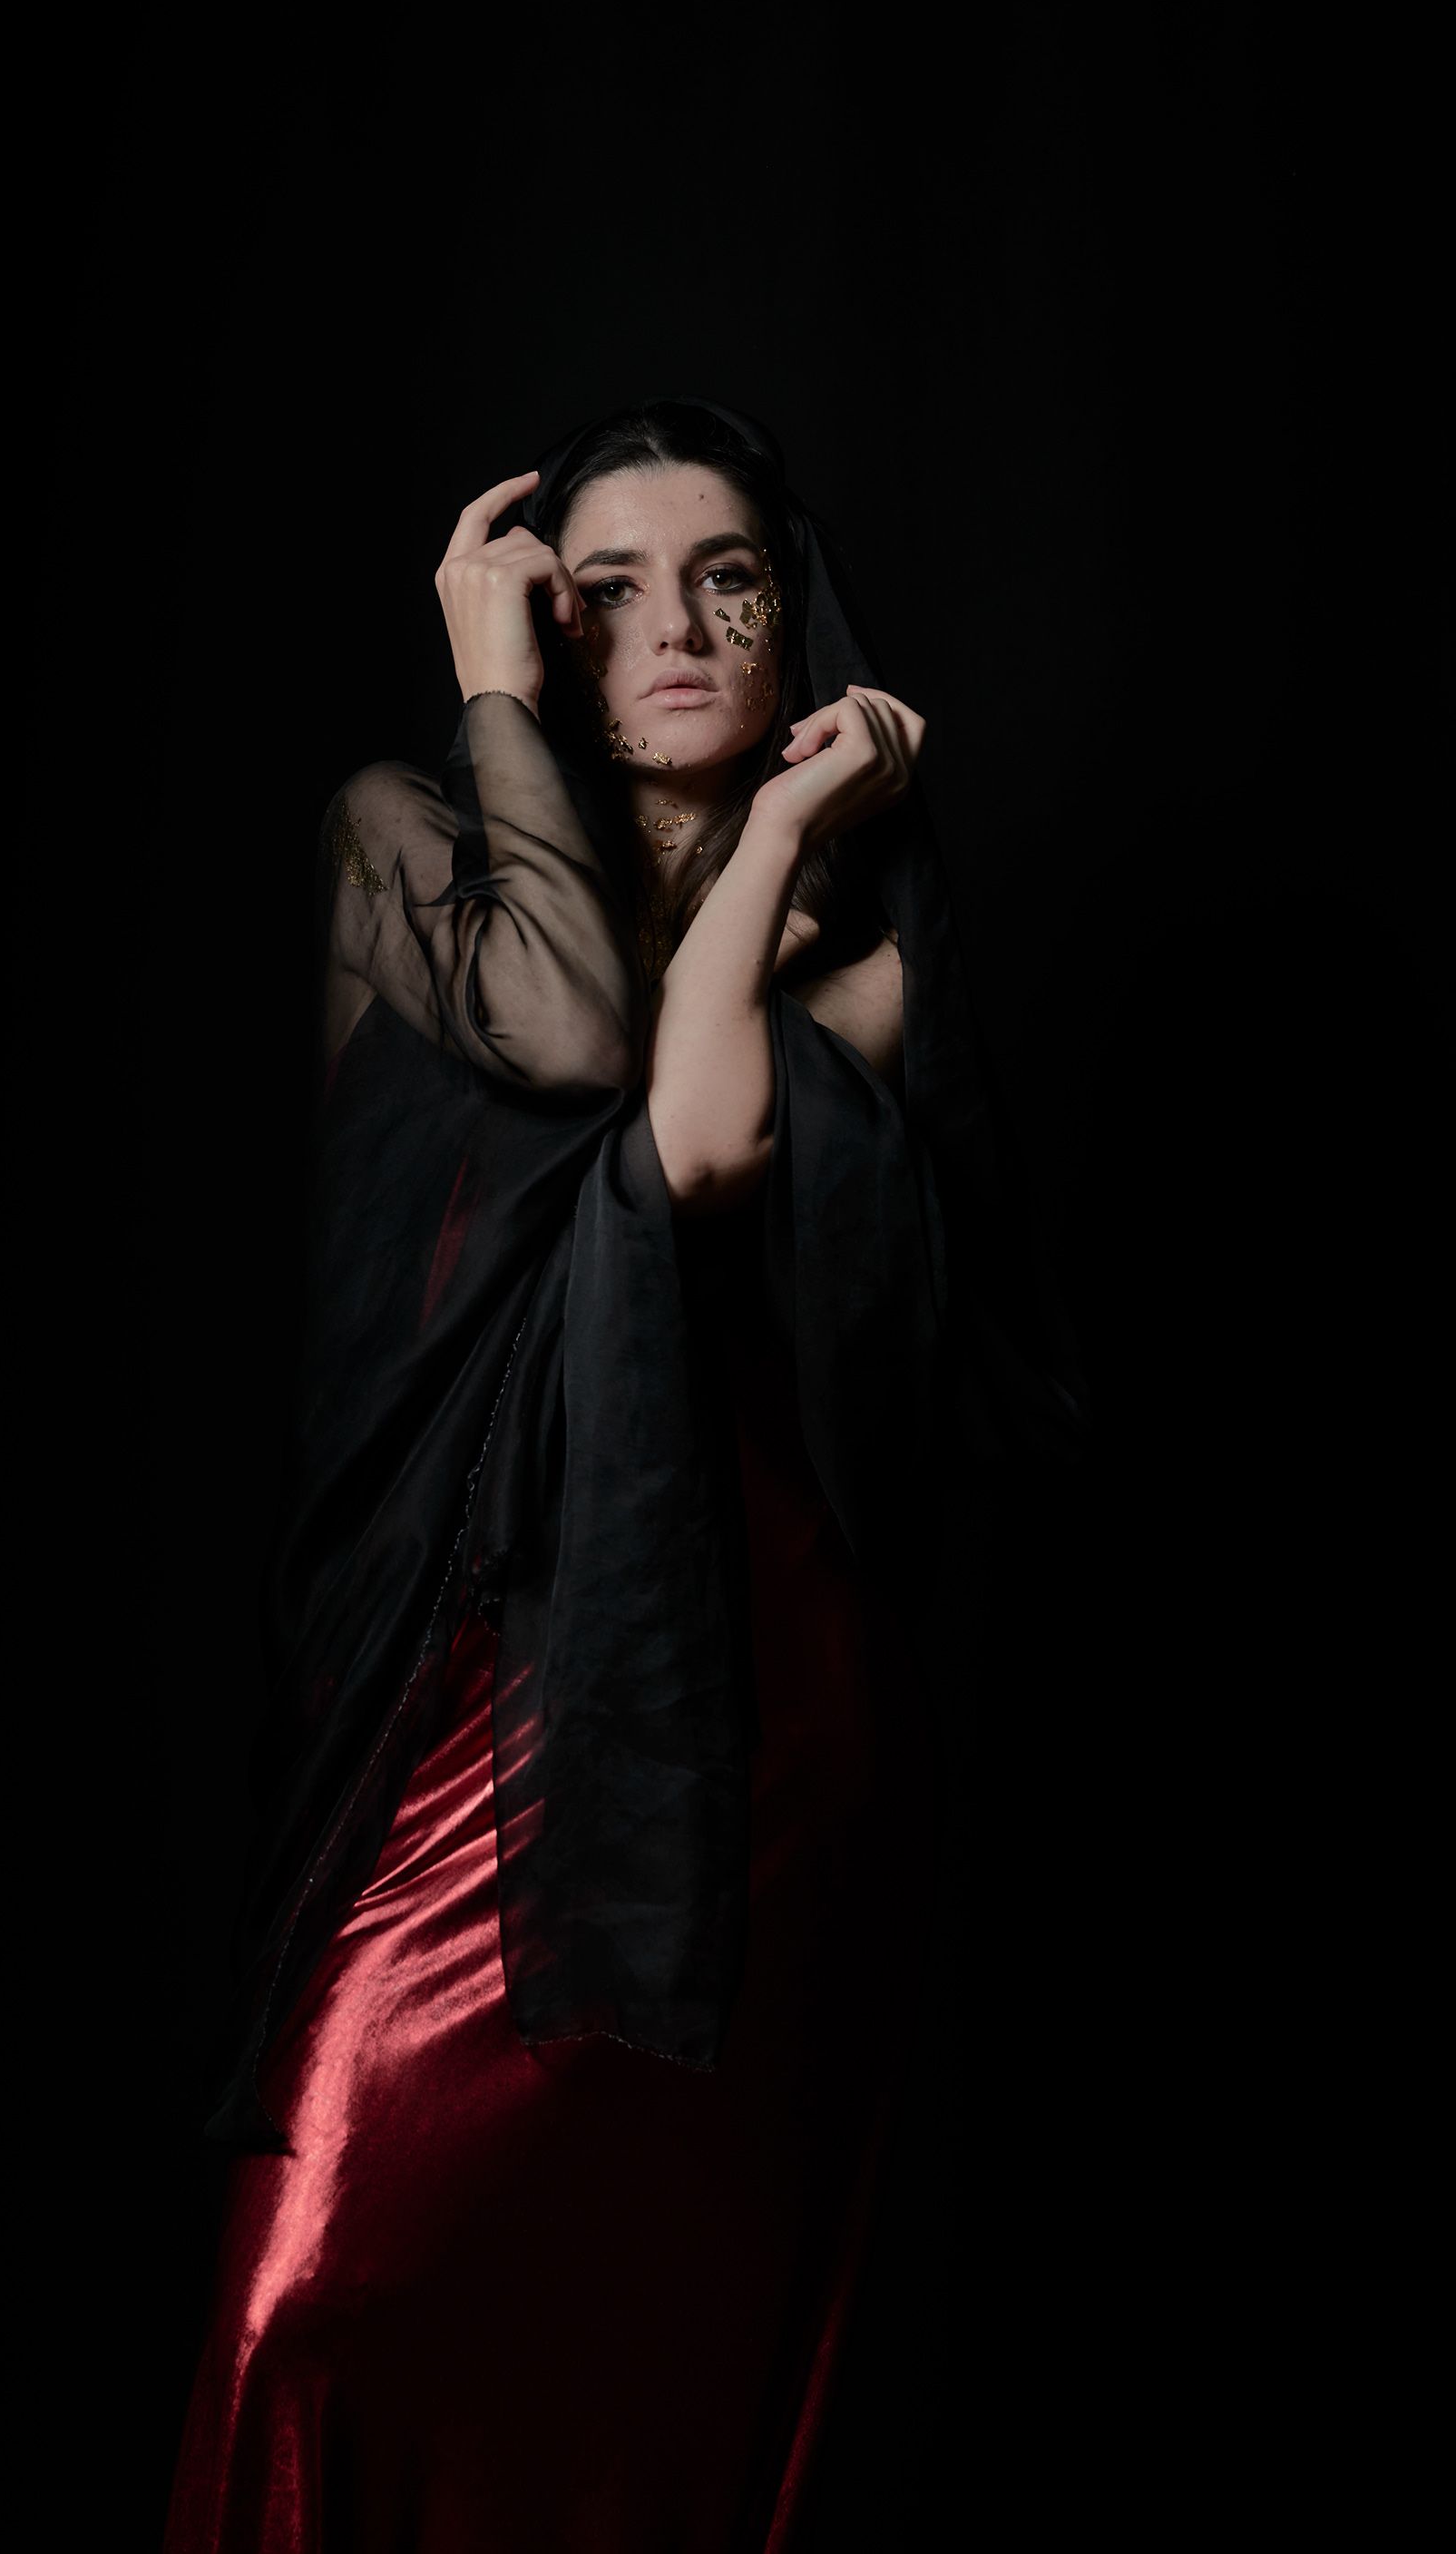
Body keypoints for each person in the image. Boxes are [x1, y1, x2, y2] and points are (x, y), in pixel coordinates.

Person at [165, 400, 1082, 2552]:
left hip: (760, 1745)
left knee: (673, 2371)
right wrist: (493, 686)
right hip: (473, 1694)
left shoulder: (856, 960)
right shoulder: (405, 843)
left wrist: (779, 837)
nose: (674, 625)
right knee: (322, 2305)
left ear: (793, 628)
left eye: (728, 580)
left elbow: (685, 1143)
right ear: (544, 630)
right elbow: (575, 1028)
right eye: (606, 593)